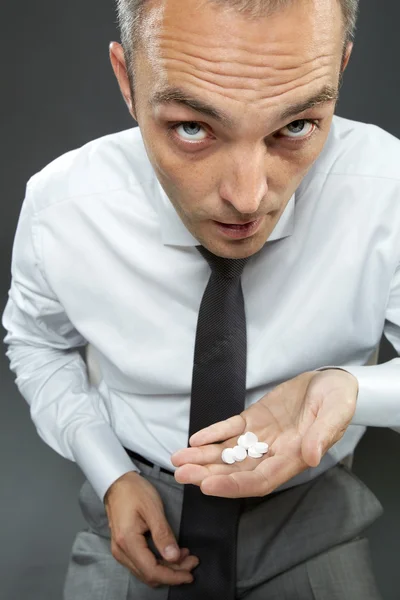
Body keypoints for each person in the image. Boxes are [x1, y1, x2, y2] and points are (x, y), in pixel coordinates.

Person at [3, 0, 400, 597]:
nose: (247, 198)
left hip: (310, 503)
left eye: (295, 126)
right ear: (128, 82)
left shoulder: (388, 190)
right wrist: (110, 475)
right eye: (192, 127)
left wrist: (350, 390)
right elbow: (37, 346)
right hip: (140, 492)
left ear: (339, 70)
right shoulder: (63, 206)